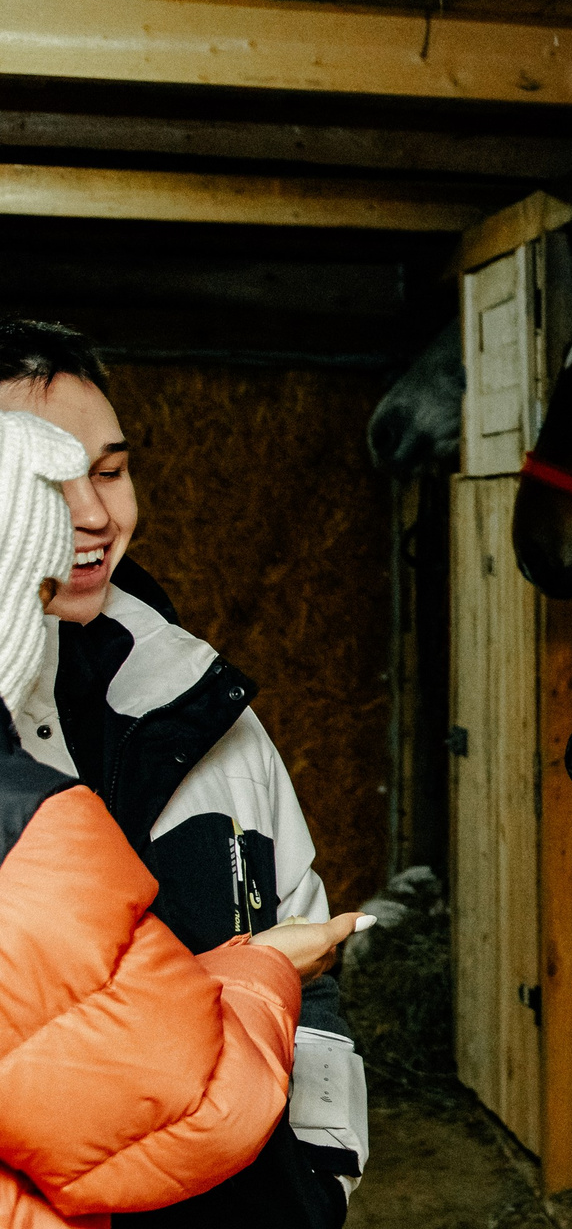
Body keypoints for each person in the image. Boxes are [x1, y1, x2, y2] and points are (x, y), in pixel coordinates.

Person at [0, 321, 369, 1227]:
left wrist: (319, 1175)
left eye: (112, 470)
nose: (92, 514)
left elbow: (305, 950)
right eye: (47, 482)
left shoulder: (203, 701)